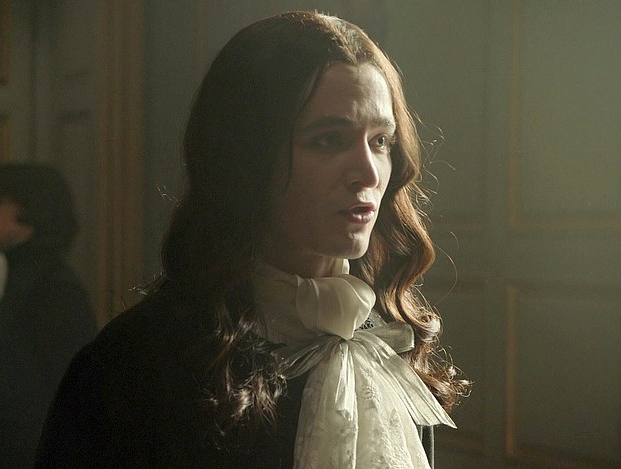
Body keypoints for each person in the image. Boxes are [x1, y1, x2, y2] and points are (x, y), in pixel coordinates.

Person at [36, 11, 467, 468]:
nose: (367, 172)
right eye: (328, 140)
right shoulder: (136, 366)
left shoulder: (390, 349)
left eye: (380, 141)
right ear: (246, 159)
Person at [0, 163, 98, 468]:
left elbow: (71, 378)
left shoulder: (53, 284)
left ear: (29, 208)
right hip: (0, 433)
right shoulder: (7, 271)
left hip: (27, 441)